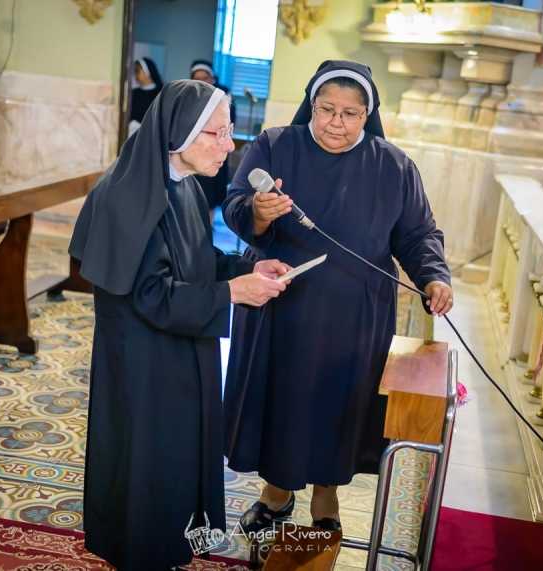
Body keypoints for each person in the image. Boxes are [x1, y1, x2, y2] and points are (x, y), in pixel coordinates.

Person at [222, 60, 453, 533]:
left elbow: (417, 234)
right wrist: (259, 211)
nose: (336, 122)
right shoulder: (275, 145)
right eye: (326, 109)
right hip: (281, 303)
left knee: (341, 403)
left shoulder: (393, 165)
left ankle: (326, 496)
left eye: (350, 113)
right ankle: (275, 492)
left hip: (357, 314)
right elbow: (234, 203)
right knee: (281, 399)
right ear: (312, 104)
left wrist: (433, 277)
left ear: (368, 114)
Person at [69, 80, 289, 570]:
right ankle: (139, 552)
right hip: (144, 362)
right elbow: (150, 294)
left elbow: (195, 259)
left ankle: (172, 545)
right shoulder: (126, 197)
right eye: (217, 133)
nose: (229, 146)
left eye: (229, 132)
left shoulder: (183, 183)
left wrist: (247, 267)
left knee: (179, 454)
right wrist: (232, 293)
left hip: (182, 346)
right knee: (148, 461)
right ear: (180, 133)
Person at [189, 60, 234, 217]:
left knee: (209, 195)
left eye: (205, 78)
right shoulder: (188, 98)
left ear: (212, 78)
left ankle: (207, 227)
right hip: (194, 152)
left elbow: (227, 125)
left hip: (214, 150)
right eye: (197, 78)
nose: (202, 82)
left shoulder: (222, 98)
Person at [128, 57, 163, 135]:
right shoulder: (133, 93)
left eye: (137, 71)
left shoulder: (161, 93)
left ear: (147, 72)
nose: (135, 74)